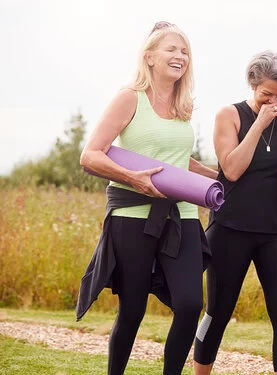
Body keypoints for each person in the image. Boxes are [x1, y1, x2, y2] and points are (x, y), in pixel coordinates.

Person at [76, 22, 217, 375]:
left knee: (189, 304)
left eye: (185, 51)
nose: (180, 56)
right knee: (133, 309)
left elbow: (179, 161)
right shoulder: (130, 98)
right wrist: (131, 178)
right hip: (132, 216)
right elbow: (91, 155)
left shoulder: (184, 107)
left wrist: (222, 178)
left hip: (181, 215)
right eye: (172, 49)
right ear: (150, 57)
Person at [193, 51, 277, 375]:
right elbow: (231, 169)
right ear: (253, 84)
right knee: (217, 312)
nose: (275, 102)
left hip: (276, 232)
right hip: (230, 228)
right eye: (267, 95)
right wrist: (258, 123)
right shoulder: (228, 115)